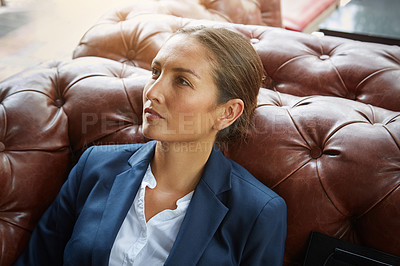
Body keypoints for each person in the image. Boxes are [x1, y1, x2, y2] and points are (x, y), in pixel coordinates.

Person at [15, 26, 287, 266]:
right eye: (155, 72)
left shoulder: (259, 213)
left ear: (227, 113)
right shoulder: (95, 166)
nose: (153, 91)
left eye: (182, 81)